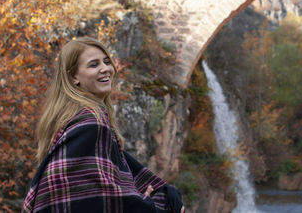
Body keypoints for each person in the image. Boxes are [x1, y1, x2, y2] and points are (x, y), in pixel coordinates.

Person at [22, 37, 185, 213]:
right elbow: (97, 201)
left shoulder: (74, 119)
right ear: (73, 77)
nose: (105, 69)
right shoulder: (91, 124)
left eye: (107, 62)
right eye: (94, 65)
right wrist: (145, 206)